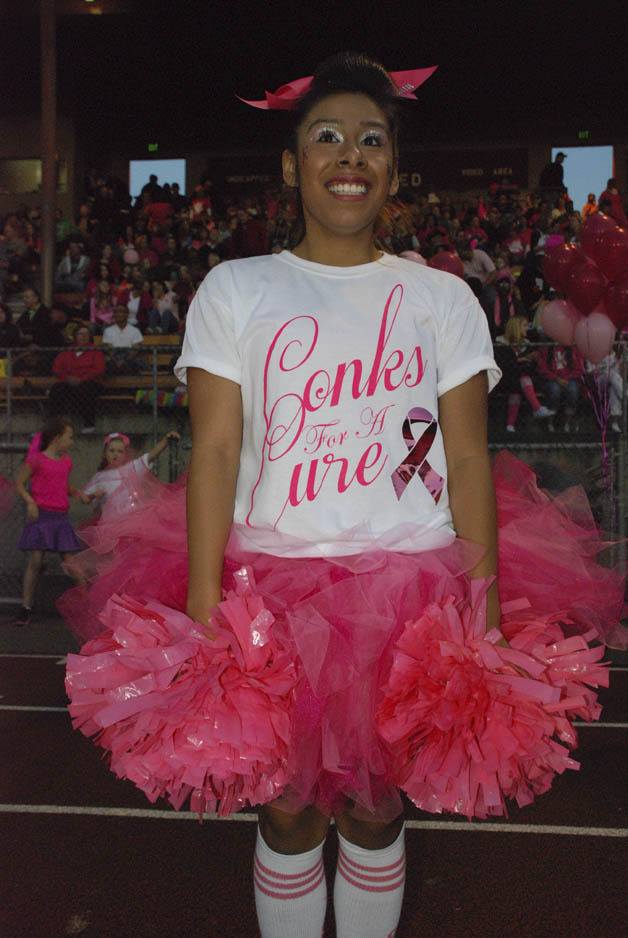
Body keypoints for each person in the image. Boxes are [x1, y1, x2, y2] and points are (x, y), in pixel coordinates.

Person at [64, 54, 626, 938]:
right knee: (287, 807)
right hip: (268, 588)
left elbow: (468, 457)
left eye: (371, 139)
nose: (349, 154)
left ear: (393, 171)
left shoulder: (442, 298)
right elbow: (215, 453)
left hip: (413, 591)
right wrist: (205, 613)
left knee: (375, 807)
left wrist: (481, 619)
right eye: (326, 136)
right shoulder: (236, 288)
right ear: (293, 166)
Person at [57, 429, 181, 639]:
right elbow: (85, 498)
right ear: (105, 453)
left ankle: (138, 606)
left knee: (135, 568)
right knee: (115, 570)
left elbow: (151, 456)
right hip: (113, 531)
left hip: (134, 527)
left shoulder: (131, 468)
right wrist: (90, 495)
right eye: (111, 451)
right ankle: (118, 609)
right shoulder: (100, 477)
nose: (115, 455)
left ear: (126, 454)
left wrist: (165, 440)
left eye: (120, 451)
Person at [12, 417, 93, 626]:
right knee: (36, 561)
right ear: (57, 438)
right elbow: (19, 483)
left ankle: (90, 604)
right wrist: (31, 502)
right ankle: (25, 608)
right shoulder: (36, 460)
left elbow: (63, 485)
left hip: (60, 518)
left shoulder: (66, 461)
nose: (72, 441)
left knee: (71, 563)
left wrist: (79, 494)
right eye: (69, 437)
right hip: (42, 516)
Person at [493, 316, 554, 431]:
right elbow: (504, 364)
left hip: (520, 380)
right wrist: (522, 359)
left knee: (519, 385)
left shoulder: (527, 344)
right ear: (516, 327)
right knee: (522, 379)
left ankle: (510, 426)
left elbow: (530, 365)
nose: (527, 329)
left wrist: (527, 359)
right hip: (504, 379)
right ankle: (537, 408)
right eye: (524, 326)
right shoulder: (500, 343)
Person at [49, 325, 105, 433]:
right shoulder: (67, 351)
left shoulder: (95, 351)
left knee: (85, 389)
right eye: (80, 334)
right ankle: (55, 425)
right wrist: (67, 378)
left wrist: (82, 379)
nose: (84, 336)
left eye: (86, 334)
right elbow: (56, 368)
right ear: (75, 336)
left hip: (90, 382)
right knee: (57, 389)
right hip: (69, 382)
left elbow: (99, 369)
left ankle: (89, 424)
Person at [536, 342, 585, 432]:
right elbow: (542, 369)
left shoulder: (573, 347)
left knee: (573, 390)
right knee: (554, 390)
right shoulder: (546, 348)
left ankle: (567, 422)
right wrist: (557, 379)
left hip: (569, 379)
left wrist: (567, 378)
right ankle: (550, 421)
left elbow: (579, 368)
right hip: (552, 379)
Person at [102, 304, 144, 374]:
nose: (118, 314)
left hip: (130, 360)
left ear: (127, 314)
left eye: (121, 312)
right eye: (116, 312)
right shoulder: (108, 330)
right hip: (114, 360)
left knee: (135, 362)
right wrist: (117, 361)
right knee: (107, 361)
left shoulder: (135, 330)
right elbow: (109, 350)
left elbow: (135, 350)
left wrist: (124, 361)